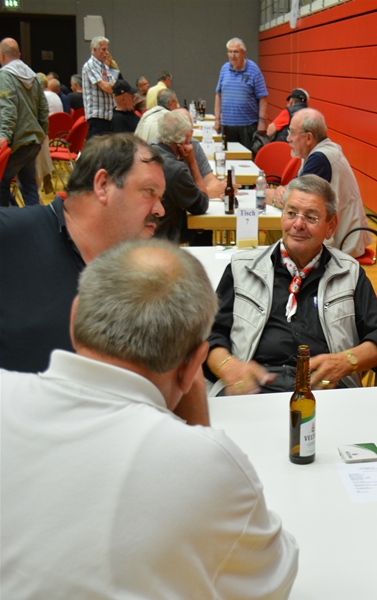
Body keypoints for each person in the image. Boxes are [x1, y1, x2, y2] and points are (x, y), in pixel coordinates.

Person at [0, 239, 299, 599]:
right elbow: (274, 582)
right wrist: (201, 434)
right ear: (193, 364)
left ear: (74, 315)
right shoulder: (205, 466)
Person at [204, 174, 377, 396]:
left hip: (326, 389)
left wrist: (346, 361)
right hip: (252, 388)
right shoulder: (242, 269)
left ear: (331, 226)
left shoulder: (348, 273)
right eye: (291, 213)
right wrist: (228, 366)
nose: (298, 224)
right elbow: (208, 334)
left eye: (311, 217)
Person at [0, 133, 165, 373]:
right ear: (103, 185)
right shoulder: (11, 235)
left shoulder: (138, 273)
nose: (160, 210)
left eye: (160, 198)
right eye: (149, 191)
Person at [269, 108, 371, 258]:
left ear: (308, 137)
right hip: (340, 234)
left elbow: (293, 201)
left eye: (292, 133)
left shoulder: (320, 159)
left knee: (281, 234)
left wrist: (271, 197)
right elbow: (292, 189)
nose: (288, 138)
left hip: (342, 244)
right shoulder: (317, 152)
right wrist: (280, 192)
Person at [0, 37, 48, 207]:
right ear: (19, 55)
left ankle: (5, 222)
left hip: (16, 144)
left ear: (1, 55)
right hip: (33, 142)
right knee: (29, 186)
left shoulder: (5, 76)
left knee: (2, 183)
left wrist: (3, 137)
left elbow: (8, 109)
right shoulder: (34, 77)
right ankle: (35, 220)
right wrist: (42, 133)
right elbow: (43, 109)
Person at [152, 111, 209, 243]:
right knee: (202, 233)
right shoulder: (176, 170)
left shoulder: (148, 152)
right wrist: (192, 162)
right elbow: (202, 205)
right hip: (161, 242)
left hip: (137, 237)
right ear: (187, 138)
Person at [214, 37, 267, 152]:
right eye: (230, 52)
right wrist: (217, 120)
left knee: (246, 157)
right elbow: (218, 94)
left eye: (236, 52)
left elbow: (263, 97)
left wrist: (262, 121)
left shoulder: (254, 70)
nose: (232, 55)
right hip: (227, 125)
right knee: (228, 156)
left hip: (247, 125)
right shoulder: (224, 69)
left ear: (243, 52)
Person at [81, 36, 114, 140]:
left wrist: (110, 85)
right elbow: (108, 88)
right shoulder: (90, 65)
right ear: (94, 50)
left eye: (107, 49)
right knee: (96, 148)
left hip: (107, 115)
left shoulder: (105, 67)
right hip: (96, 116)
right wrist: (110, 85)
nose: (107, 52)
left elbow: (115, 86)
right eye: (103, 49)